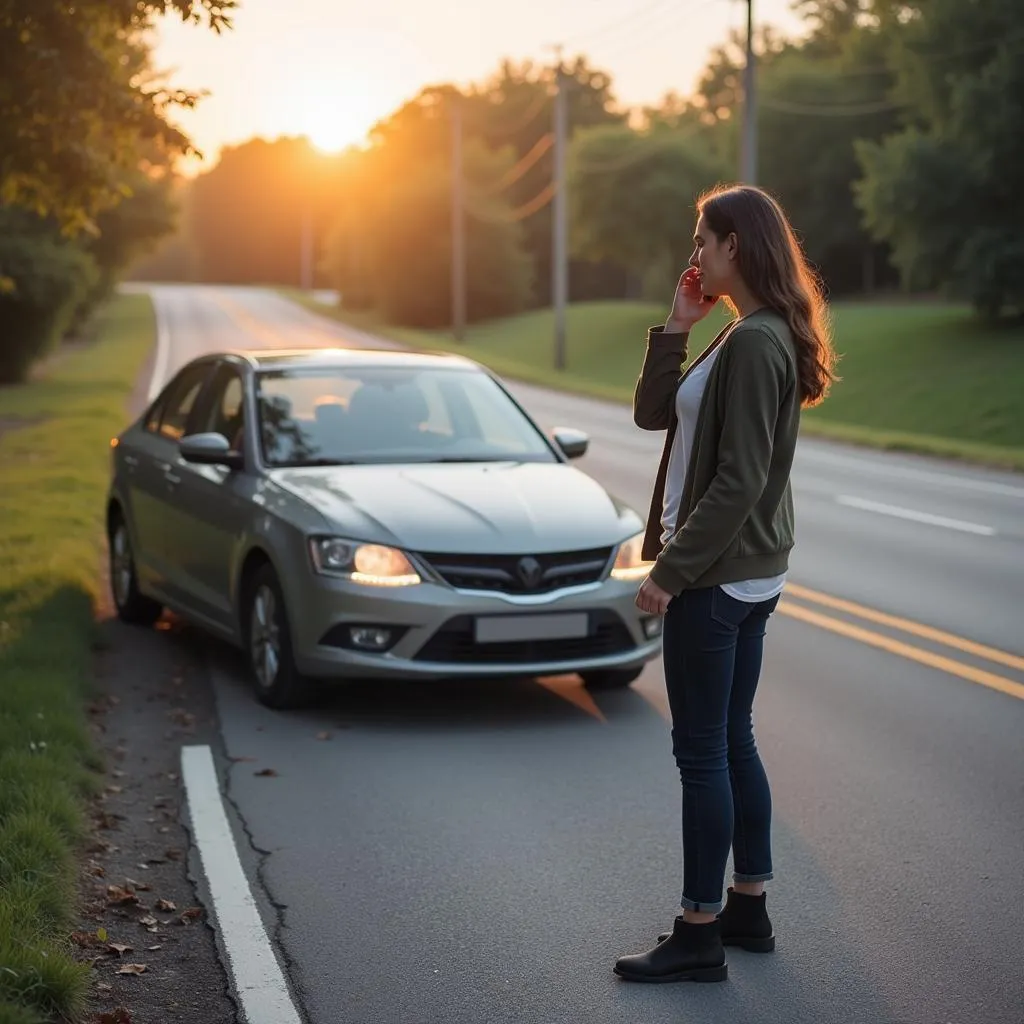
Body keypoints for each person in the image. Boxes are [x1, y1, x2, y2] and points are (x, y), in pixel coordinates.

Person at [613, 184, 837, 984]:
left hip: (714, 576)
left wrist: (670, 574)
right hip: (747, 573)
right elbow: (653, 415)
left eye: (703, 241)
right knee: (732, 738)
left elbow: (737, 481)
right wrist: (677, 327)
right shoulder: (748, 332)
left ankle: (698, 929)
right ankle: (749, 906)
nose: (696, 255)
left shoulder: (755, 343)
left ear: (737, 244)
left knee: (701, 751)